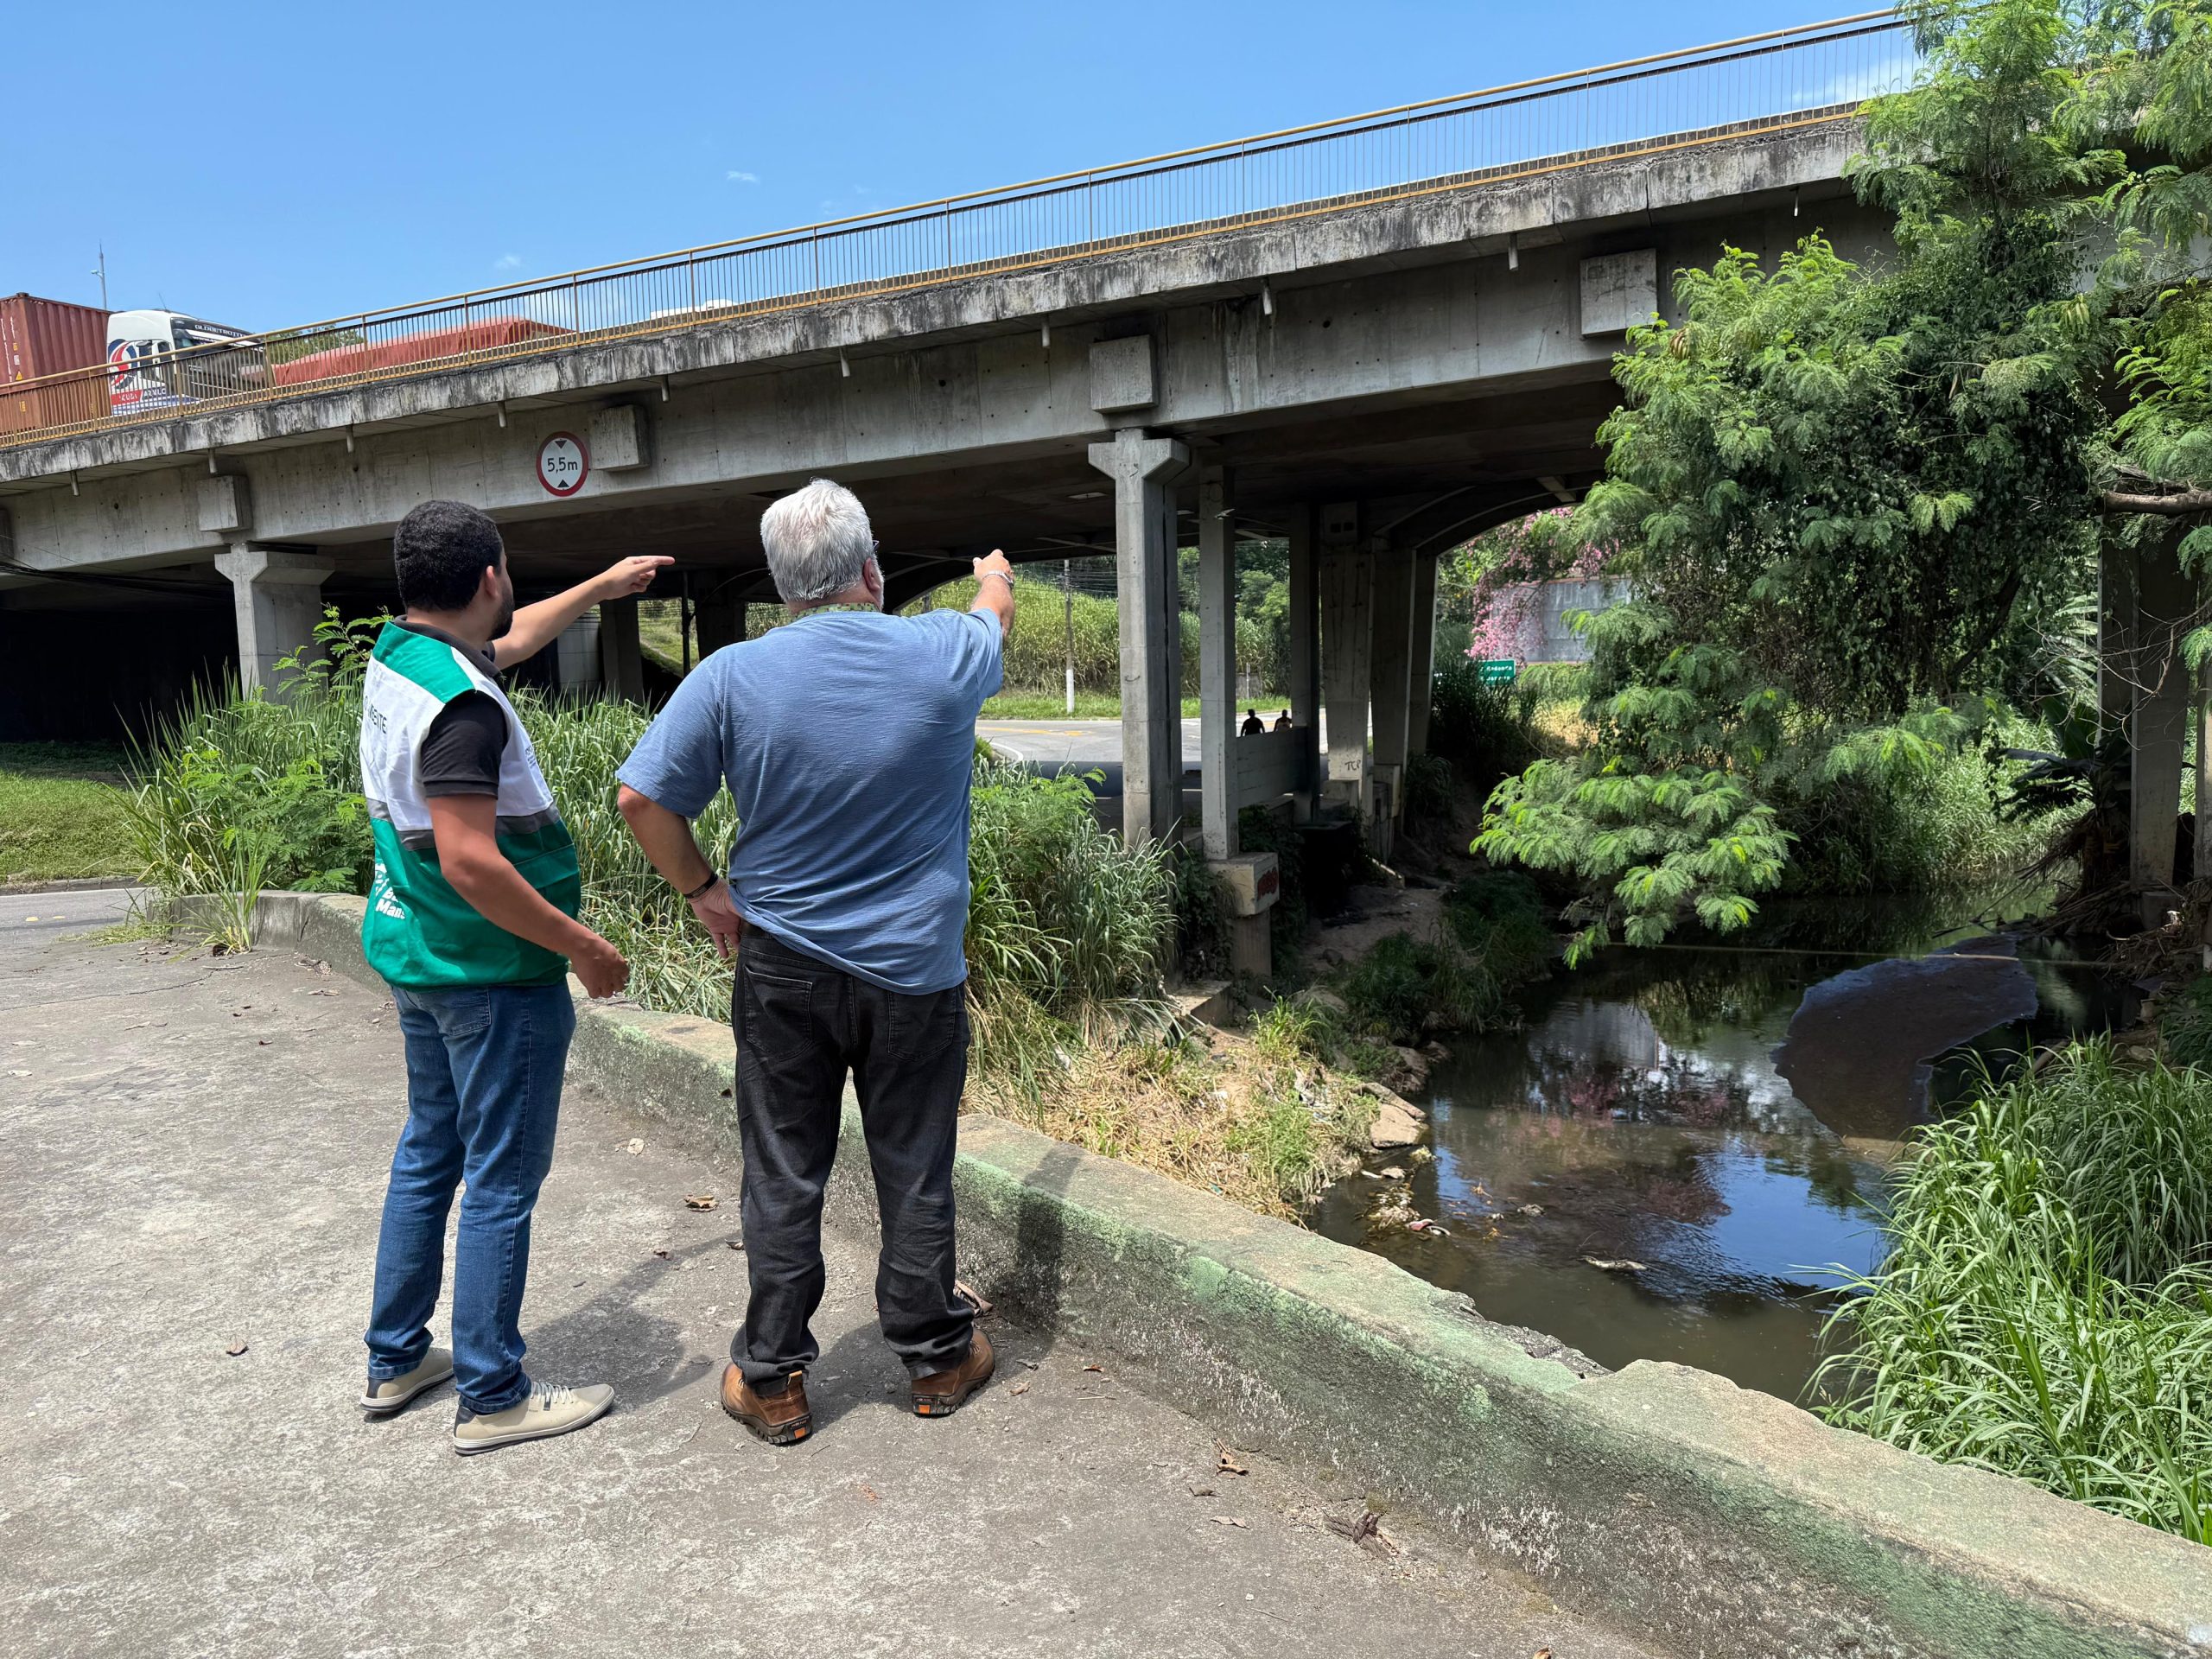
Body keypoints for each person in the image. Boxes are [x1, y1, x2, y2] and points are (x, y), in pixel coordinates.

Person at [615, 478, 1012, 1446]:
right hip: (914, 973)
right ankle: (934, 1358)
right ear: (871, 570)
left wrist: (706, 890)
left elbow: (641, 802)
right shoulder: (942, 653)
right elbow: (991, 616)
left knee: (785, 1170)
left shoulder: (728, 676)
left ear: (781, 588)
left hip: (782, 965)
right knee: (914, 1166)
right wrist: (993, 576)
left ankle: (776, 1379)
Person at [357, 499, 669, 1455]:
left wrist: (604, 587)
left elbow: (514, 639)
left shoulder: (405, 655)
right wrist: (581, 945)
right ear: (489, 577)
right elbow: (472, 861)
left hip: (420, 953)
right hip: (490, 970)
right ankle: (492, 1394)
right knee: (499, 1179)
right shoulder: (463, 711)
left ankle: (397, 1356)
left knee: (430, 1154)